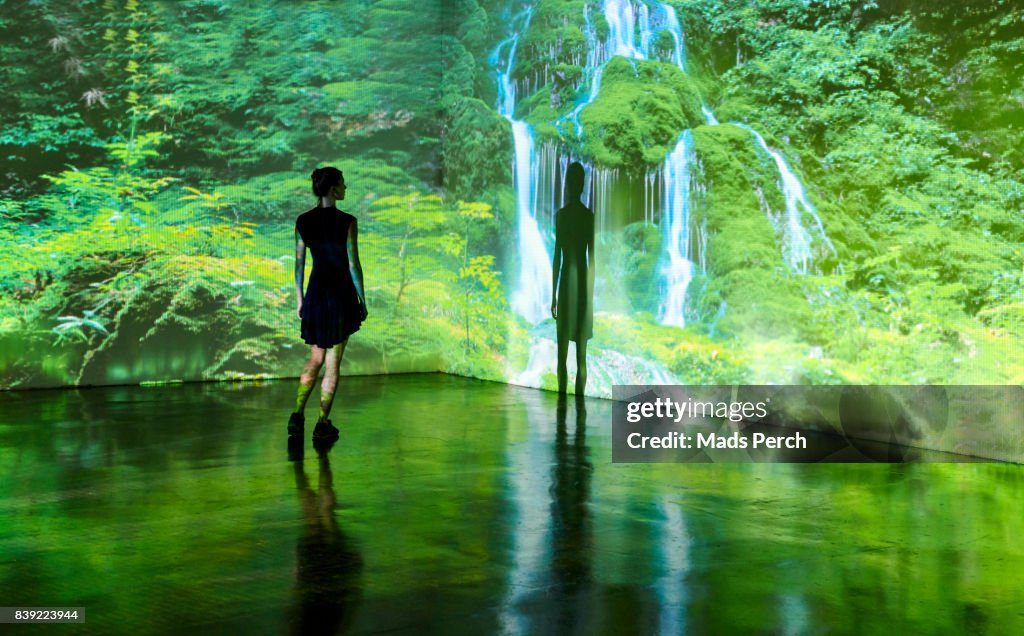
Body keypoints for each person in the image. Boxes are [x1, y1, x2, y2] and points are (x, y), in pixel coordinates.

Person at [287, 167, 367, 439]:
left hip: (316, 294)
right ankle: (322, 423)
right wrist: (362, 300)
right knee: (333, 363)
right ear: (333, 189)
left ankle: (297, 415)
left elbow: (299, 265)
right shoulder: (348, 221)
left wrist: (300, 300)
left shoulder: (303, 221)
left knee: (315, 358)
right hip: (341, 295)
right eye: (343, 184)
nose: (346, 188)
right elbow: (353, 265)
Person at [550, 162, 594, 397]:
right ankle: (580, 406)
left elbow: (557, 257)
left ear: (567, 185)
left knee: (562, 356)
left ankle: (561, 403)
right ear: (583, 185)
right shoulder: (589, 217)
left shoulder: (561, 216)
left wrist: (553, 295)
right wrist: (590, 298)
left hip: (566, 286)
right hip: (583, 292)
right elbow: (593, 261)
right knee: (582, 358)